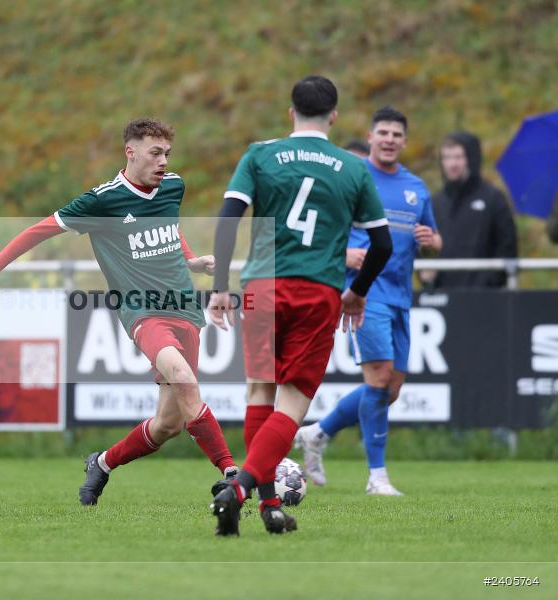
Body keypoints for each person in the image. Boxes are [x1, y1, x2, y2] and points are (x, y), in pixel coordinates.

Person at [0, 118, 238, 506]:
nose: (163, 161)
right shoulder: (102, 201)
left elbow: (167, 227)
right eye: (155, 153)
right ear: (131, 152)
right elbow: (40, 230)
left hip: (185, 309)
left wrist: (191, 260)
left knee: (168, 425)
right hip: (144, 313)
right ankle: (231, 474)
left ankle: (102, 463)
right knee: (183, 378)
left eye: (167, 153)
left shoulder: (173, 186)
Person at [208, 76, 392, 536]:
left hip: (262, 286)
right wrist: (357, 291)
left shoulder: (260, 154)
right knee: (291, 404)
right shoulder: (352, 168)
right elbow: (383, 244)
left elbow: (228, 219)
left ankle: (269, 506)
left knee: (259, 392)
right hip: (316, 291)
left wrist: (220, 285)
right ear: (334, 116)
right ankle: (244, 490)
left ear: (291, 112)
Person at [296, 106, 442, 496]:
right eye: (383, 133)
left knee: (390, 389)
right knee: (378, 378)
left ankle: (318, 432)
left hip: (400, 296)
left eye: (397, 134)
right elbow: (317, 230)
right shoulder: (351, 177)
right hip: (364, 292)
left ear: (405, 141)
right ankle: (377, 477)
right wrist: (344, 255)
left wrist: (432, 242)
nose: (390, 139)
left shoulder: (416, 187)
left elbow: (434, 240)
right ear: (371, 137)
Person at [428, 131, 517, 288]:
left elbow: (508, 247)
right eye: (446, 157)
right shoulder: (436, 202)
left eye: (458, 157)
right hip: (442, 296)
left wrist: (489, 283)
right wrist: (427, 276)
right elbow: (425, 247)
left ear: (471, 158)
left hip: (484, 296)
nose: (452, 164)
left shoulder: (493, 198)